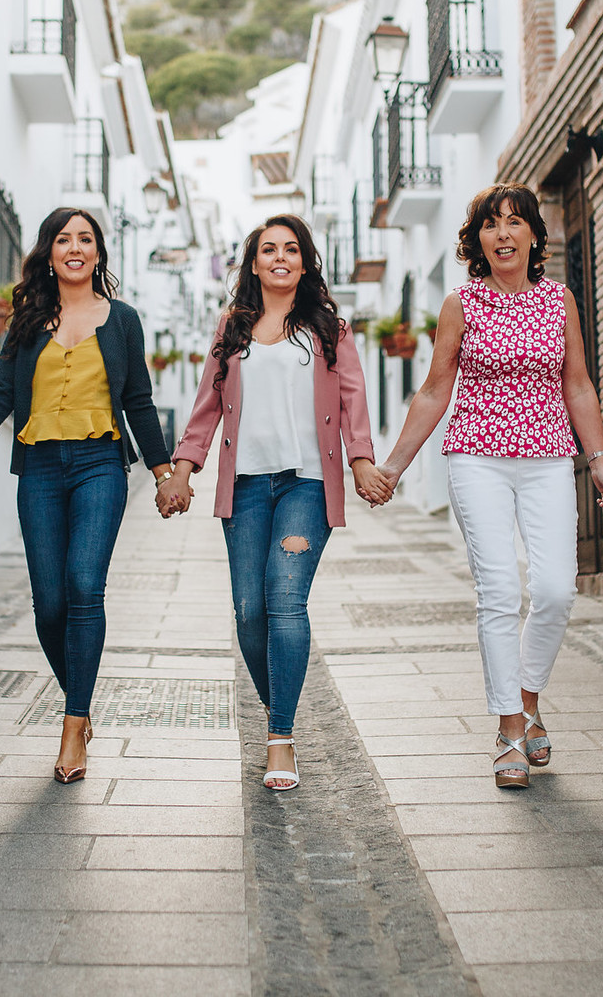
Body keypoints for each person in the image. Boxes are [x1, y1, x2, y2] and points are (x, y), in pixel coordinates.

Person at [377, 184, 603, 790]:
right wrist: (394, 466)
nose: (504, 234)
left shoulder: (558, 300)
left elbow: (579, 385)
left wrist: (598, 458)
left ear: (535, 235)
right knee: (498, 591)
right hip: (476, 460)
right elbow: (436, 389)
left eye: (516, 223)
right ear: (477, 240)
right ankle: (510, 729)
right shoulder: (462, 304)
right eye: (491, 225)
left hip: (546, 458)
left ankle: (529, 698)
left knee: (556, 590)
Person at [160, 215, 392, 791]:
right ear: (255, 264)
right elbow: (205, 407)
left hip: (307, 486)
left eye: (292, 249)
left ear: (306, 262)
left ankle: (281, 738)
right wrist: (182, 471)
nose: (281, 257)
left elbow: (353, 397)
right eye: (269, 250)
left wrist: (361, 459)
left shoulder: (329, 330)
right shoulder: (232, 329)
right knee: (249, 611)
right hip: (244, 488)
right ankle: (277, 707)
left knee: (285, 600)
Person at [0, 208, 172, 783]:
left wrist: (162, 472)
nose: (75, 247)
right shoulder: (27, 319)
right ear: (49, 252)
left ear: (99, 253)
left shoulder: (124, 320)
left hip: (99, 466)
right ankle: (80, 698)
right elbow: (0, 391)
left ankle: (72, 721)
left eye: (86, 239)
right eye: (64, 239)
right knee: (48, 603)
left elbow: (138, 402)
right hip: (38, 468)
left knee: (84, 585)